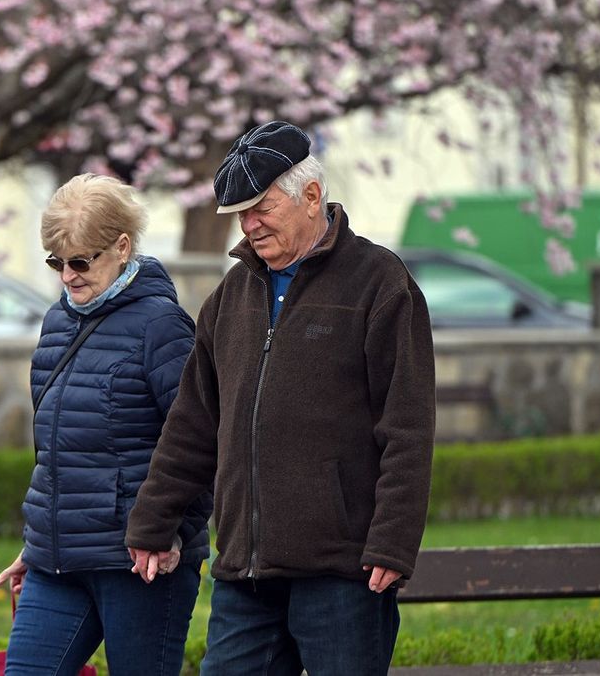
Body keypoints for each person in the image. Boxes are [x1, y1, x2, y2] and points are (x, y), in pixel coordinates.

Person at [124, 121, 436, 675]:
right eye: (241, 213)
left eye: (262, 207)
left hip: (344, 572)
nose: (249, 225)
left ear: (312, 196)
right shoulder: (230, 296)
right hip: (245, 573)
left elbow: (407, 427)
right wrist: (153, 520)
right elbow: (193, 423)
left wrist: (392, 542)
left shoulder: (380, 284)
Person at [0, 173, 211, 676]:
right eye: (56, 262)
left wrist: (174, 533)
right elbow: (57, 453)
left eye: (81, 261)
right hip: (57, 563)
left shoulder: (162, 326)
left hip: (141, 563)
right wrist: (40, 540)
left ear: (122, 246)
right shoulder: (57, 322)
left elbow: (202, 442)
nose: (67, 276)